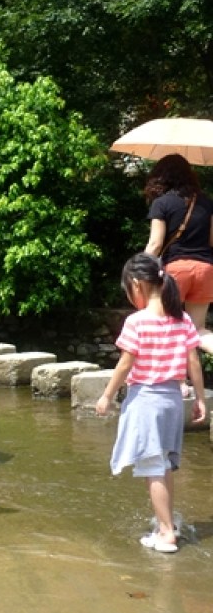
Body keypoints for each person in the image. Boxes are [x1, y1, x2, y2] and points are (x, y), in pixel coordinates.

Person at [95, 253, 205, 553]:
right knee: (163, 464)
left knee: (152, 466)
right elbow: (193, 361)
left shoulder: (137, 321)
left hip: (147, 401)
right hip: (172, 400)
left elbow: (124, 364)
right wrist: (199, 398)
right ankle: (165, 523)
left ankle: (167, 533)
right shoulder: (181, 318)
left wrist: (106, 395)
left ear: (136, 284)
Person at [144, 153, 213, 353]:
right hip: (205, 269)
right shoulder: (207, 203)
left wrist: (139, 269)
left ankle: (175, 383)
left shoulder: (162, 203)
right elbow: (211, 241)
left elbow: (155, 244)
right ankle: (183, 382)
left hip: (176, 269)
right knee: (197, 330)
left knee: (165, 326)